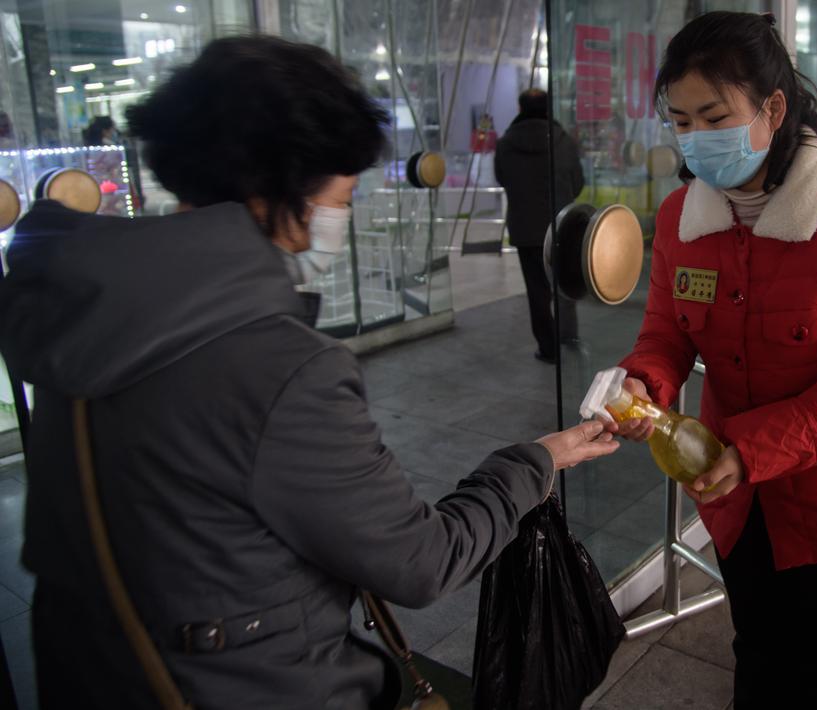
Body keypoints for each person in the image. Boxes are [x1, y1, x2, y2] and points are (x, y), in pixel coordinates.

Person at [0, 36, 619, 709]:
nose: (337, 220)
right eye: (341, 196)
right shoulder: (277, 367)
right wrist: (532, 463)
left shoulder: (92, 306)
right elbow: (420, 559)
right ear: (279, 188)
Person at [613, 12, 817, 708]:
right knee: (755, 648)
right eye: (680, 121)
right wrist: (643, 381)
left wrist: (750, 450)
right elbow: (666, 333)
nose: (695, 138)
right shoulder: (681, 219)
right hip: (734, 497)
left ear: (772, 108)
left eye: (713, 116)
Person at [495, 88, 585, 364]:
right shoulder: (563, 140)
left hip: (526, 229)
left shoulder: (506, 142)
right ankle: (568, 335)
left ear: (521, 109)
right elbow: (578, 182)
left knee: (537, 291)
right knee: (565, 284)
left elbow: (503, 179)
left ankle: (548, 348)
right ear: (548, 109)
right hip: (561, 227)